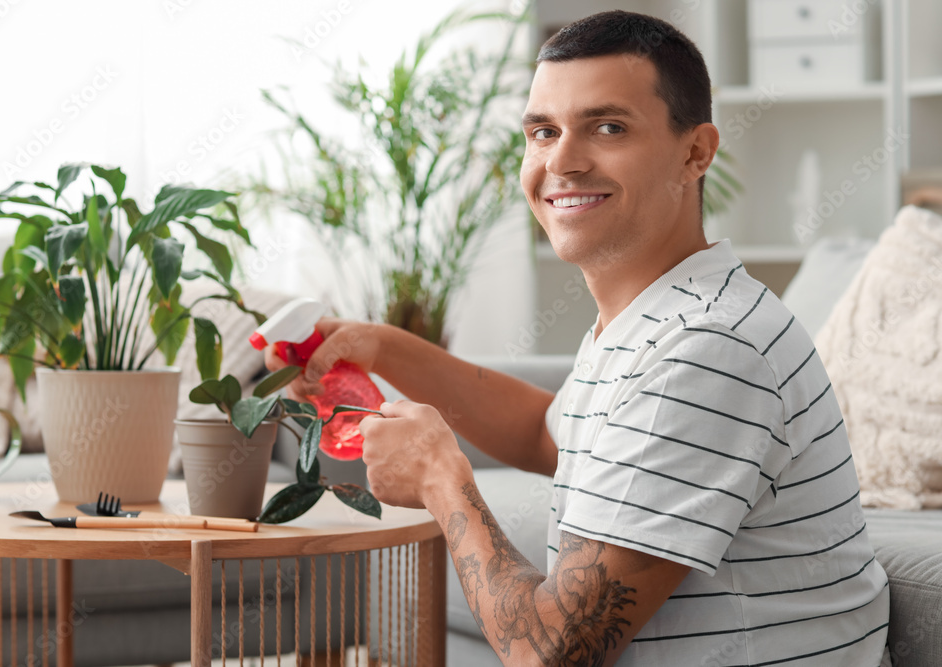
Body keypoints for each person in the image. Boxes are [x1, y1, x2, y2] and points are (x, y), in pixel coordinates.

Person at [267, 10, 890, 666]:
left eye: (608, 127)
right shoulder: (655, 316)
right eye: (542, 131)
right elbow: (550, 436)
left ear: (695, 151)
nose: (560, 160)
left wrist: (439, 476)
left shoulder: (707, 348)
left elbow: (551, 651)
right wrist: (383, 346)